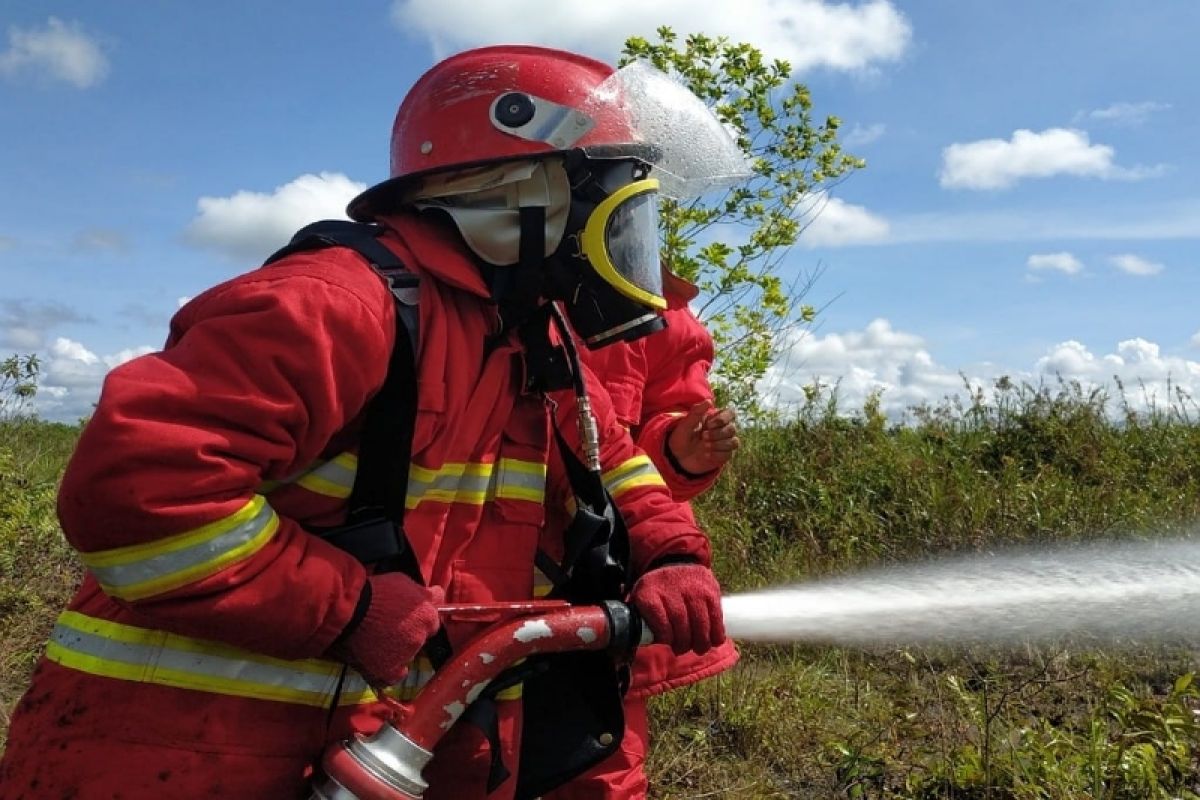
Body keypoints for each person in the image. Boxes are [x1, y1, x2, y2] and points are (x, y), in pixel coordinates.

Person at [0, 45, 752, 799]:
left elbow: (613, 464)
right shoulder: (332, 305)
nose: (631, 247)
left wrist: (671, 553)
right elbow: (139, 498)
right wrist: (348, 605)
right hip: (182, 753)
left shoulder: (532, 336)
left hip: (391, 744)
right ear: (526, 193)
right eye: (618, 209)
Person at [543, 269, 741, 799]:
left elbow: (628, 456)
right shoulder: (506, 289)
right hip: (490, 574)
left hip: (613, 578)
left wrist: (680, 449)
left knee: (603, 768)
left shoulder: (662, 312)